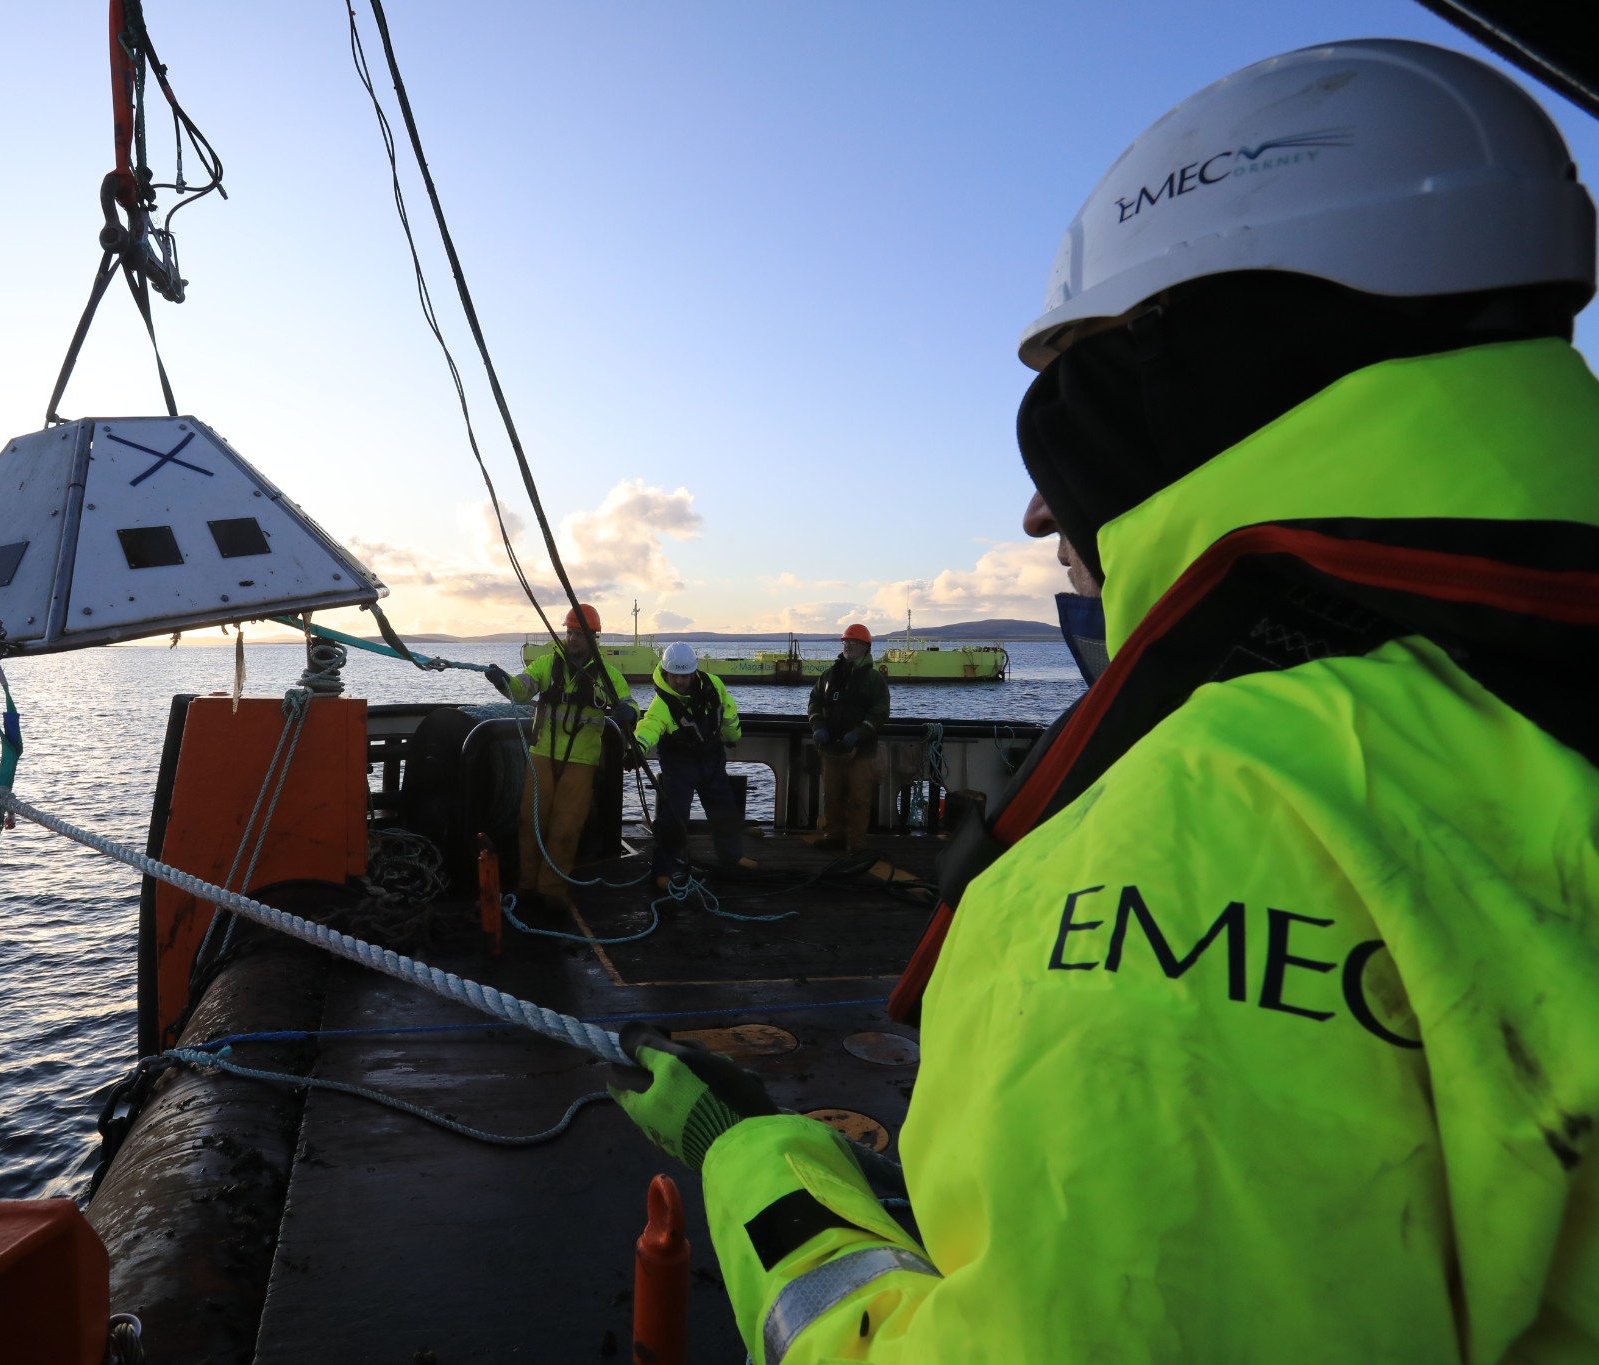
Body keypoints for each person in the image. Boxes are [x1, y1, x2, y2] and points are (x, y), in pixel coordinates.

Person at [609, 38, 1599, 1363]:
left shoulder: (1211, 819)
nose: (1040, 512)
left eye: (1074, 406)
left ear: (1190, 375)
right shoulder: (1518, 699)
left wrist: (753, 1161)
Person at [485, 604, 635, 909]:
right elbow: (521, 689)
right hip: (541, 753)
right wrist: (503, 681)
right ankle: (527, 885)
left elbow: (628, 702)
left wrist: (629, 713)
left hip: (582, 761)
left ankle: (551, 892)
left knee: (566, 828)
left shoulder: (607, 675)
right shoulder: (545, 665)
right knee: (530, 821)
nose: (573, 638)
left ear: (593, 637)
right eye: (570, 632)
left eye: (579, 634)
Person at [631, 641, 753, 888]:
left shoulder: (714, 685)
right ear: (666, 673)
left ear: (694, 672)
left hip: (712, 759)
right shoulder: (662, 703)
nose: (679, 681)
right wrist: (635, 748)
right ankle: (665, 870)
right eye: (674, 676)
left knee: (724, 811)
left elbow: (728, 711)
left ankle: (733, 858)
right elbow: (649, 726)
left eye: (684, 676)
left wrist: (733, 736)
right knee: (674, 818)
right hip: (679, 766)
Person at [804, 624, 889, 852]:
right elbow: (815, 702)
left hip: (862, 751)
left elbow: (880, 711)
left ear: (865, 647)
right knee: (832, 795)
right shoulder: (829, 676)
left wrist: (859, 733)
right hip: (832, 748)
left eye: (853, 642)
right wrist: (818, 726)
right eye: (845, 641)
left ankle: (856, 844)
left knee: (858, 799)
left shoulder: (874, 679)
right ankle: (834, 837)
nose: (848, 645)